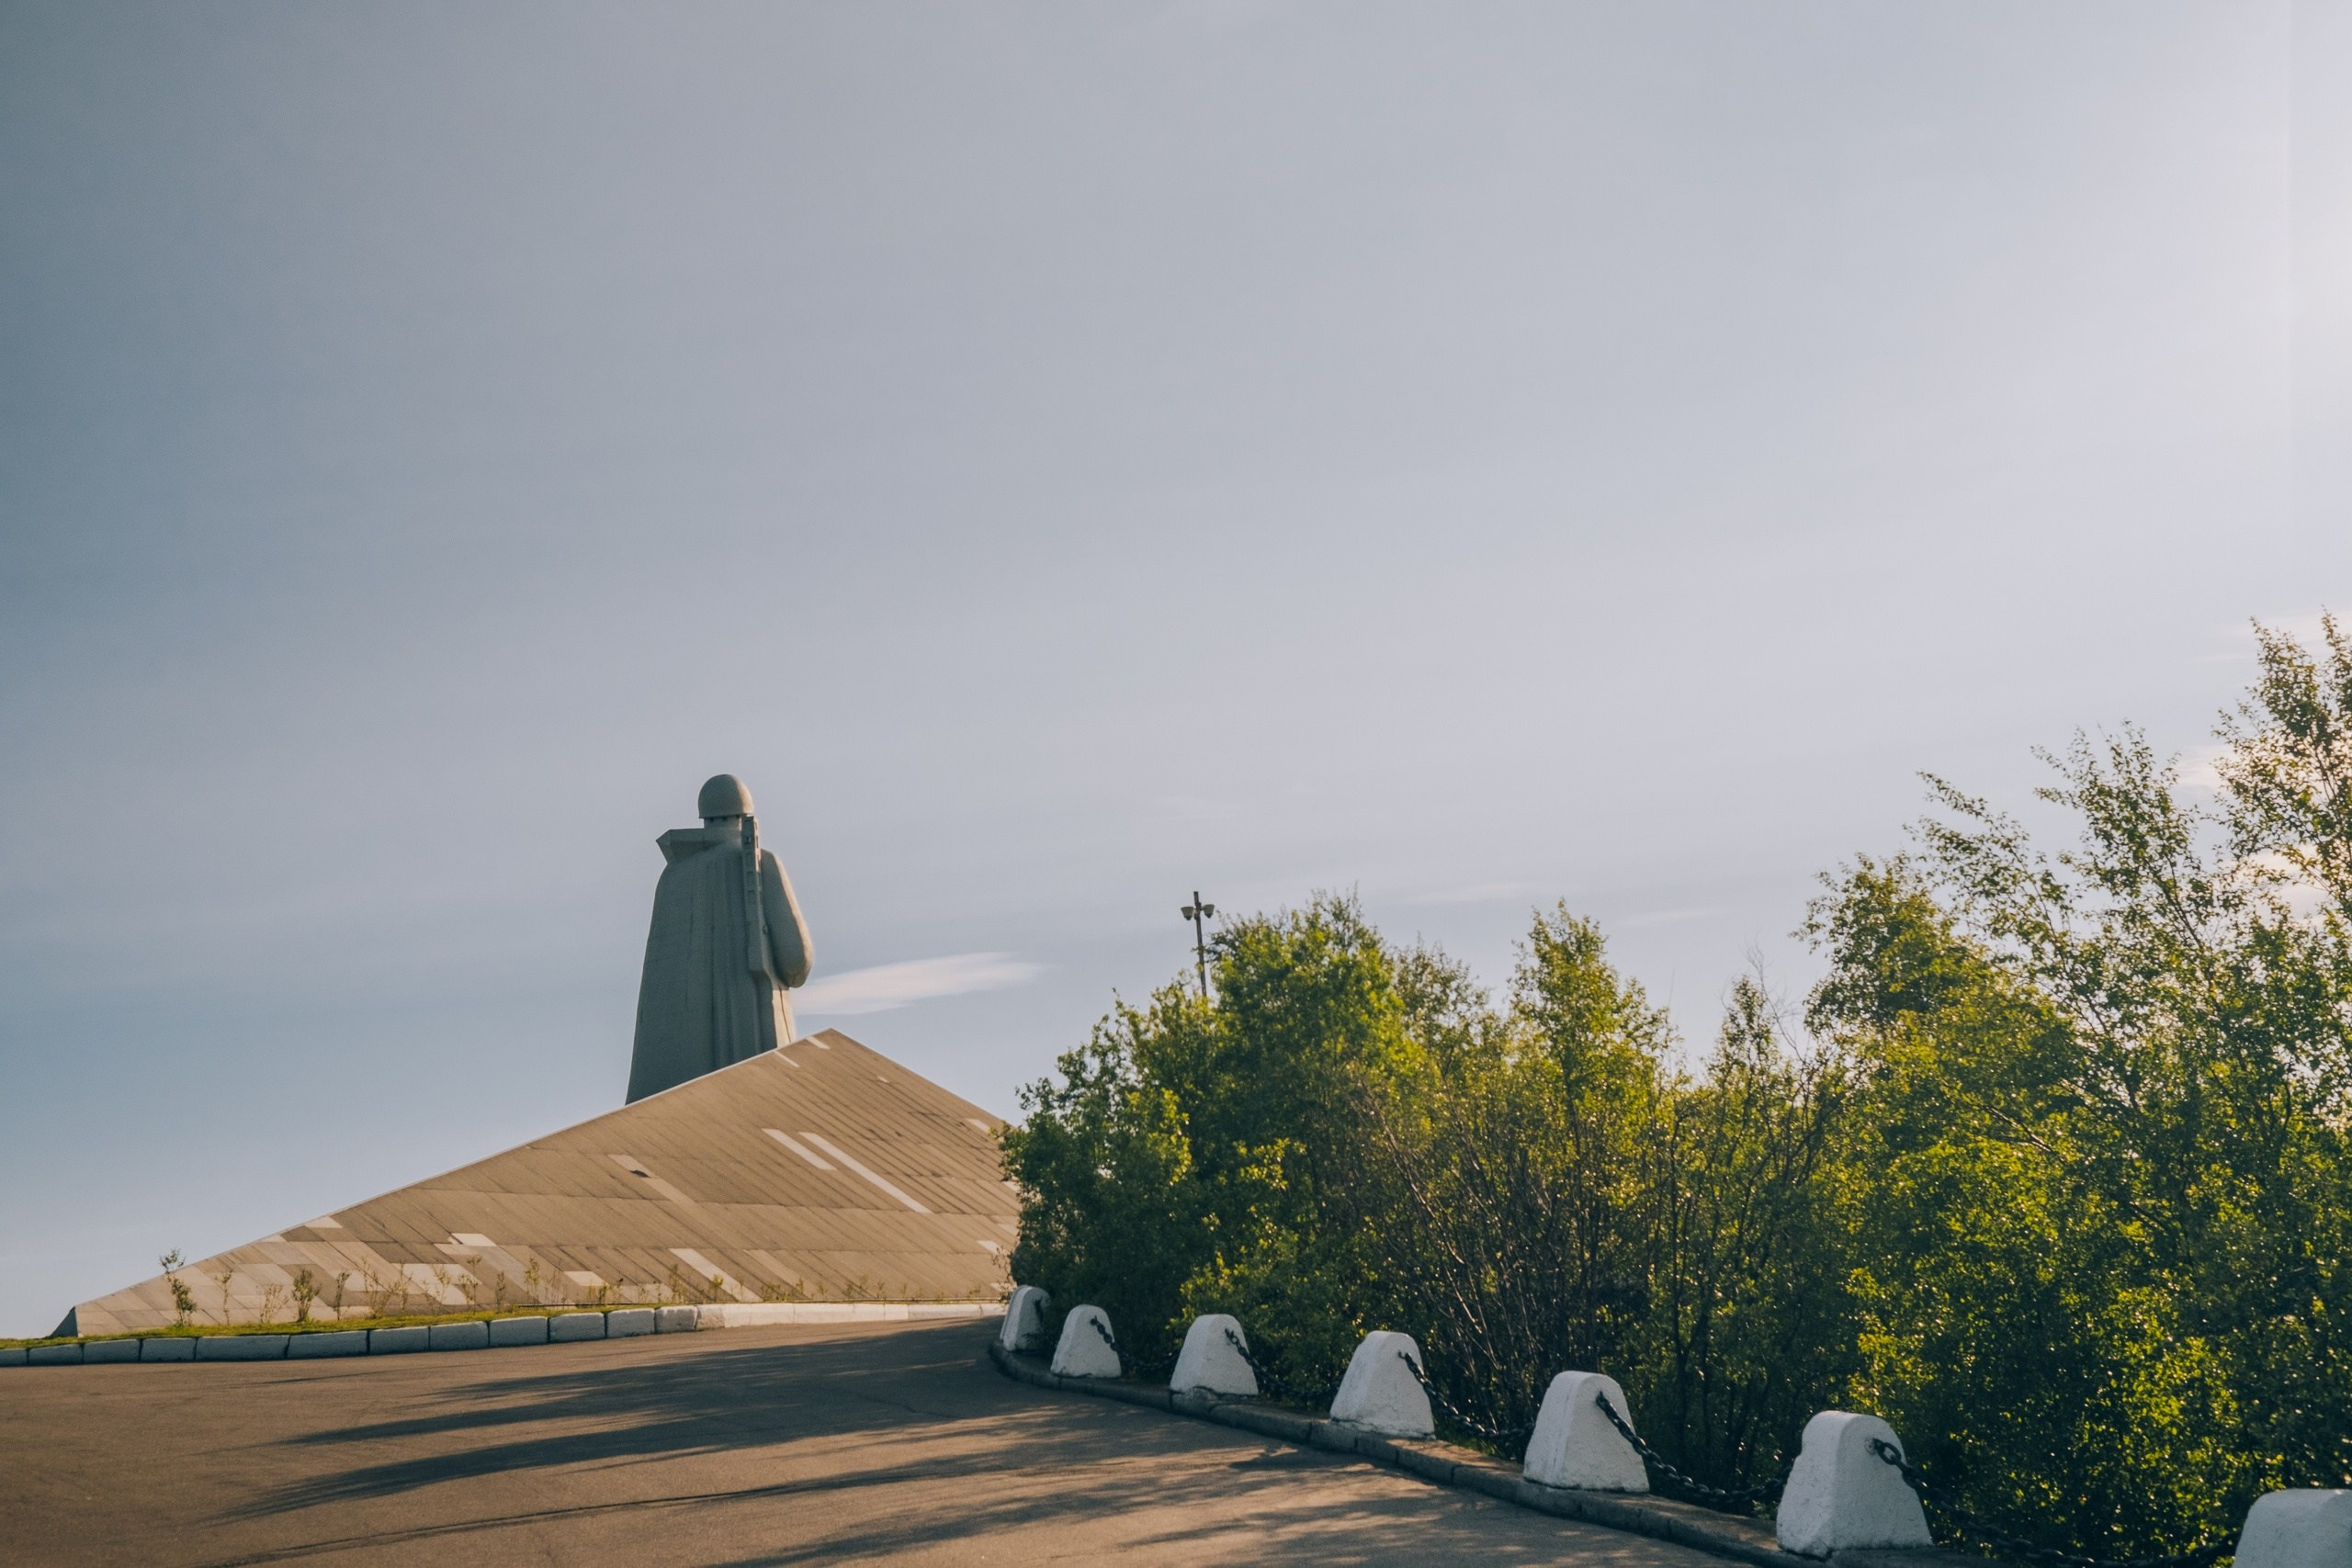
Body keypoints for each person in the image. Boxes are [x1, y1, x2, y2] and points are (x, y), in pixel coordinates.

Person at [625, 773, 813, 1102]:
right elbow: (797, 962)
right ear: (745, 815)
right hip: (755, 1054)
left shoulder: (672, 878)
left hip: (674, 1093)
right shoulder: (760, 862)